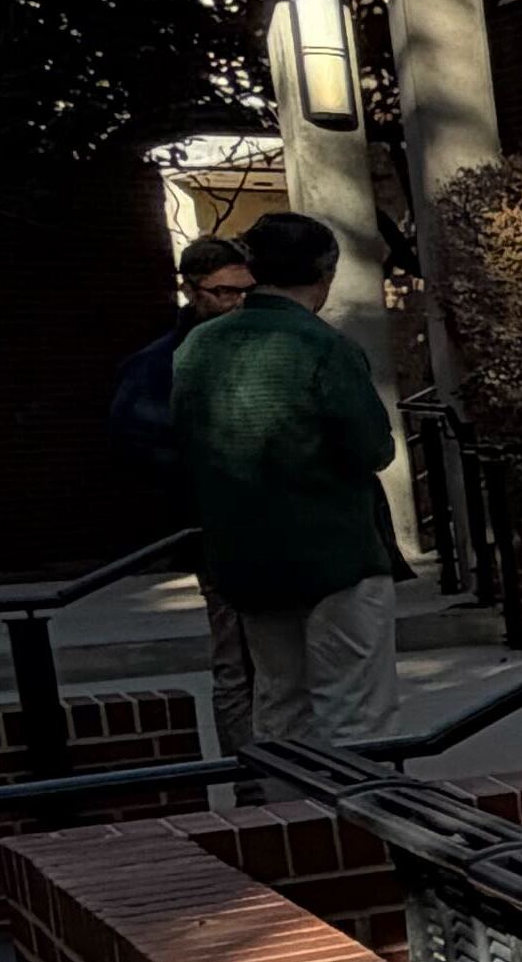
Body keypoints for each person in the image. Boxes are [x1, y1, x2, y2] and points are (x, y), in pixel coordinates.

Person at [173, 213, 405, 748]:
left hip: (244, 552)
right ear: (326, 274)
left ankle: (286, 823)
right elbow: (373, 448)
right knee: (356, 715)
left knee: (279, 706)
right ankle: (358, 827)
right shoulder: (323, 345)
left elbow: (186, 443)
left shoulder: (198, 349)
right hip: (334, 551)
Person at [113, 230, 251, 484]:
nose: (240, 302)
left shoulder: (267, 349)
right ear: (189, 291)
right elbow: (143, 454)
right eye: (225, 291)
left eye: (248, 291)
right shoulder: (154, 367)